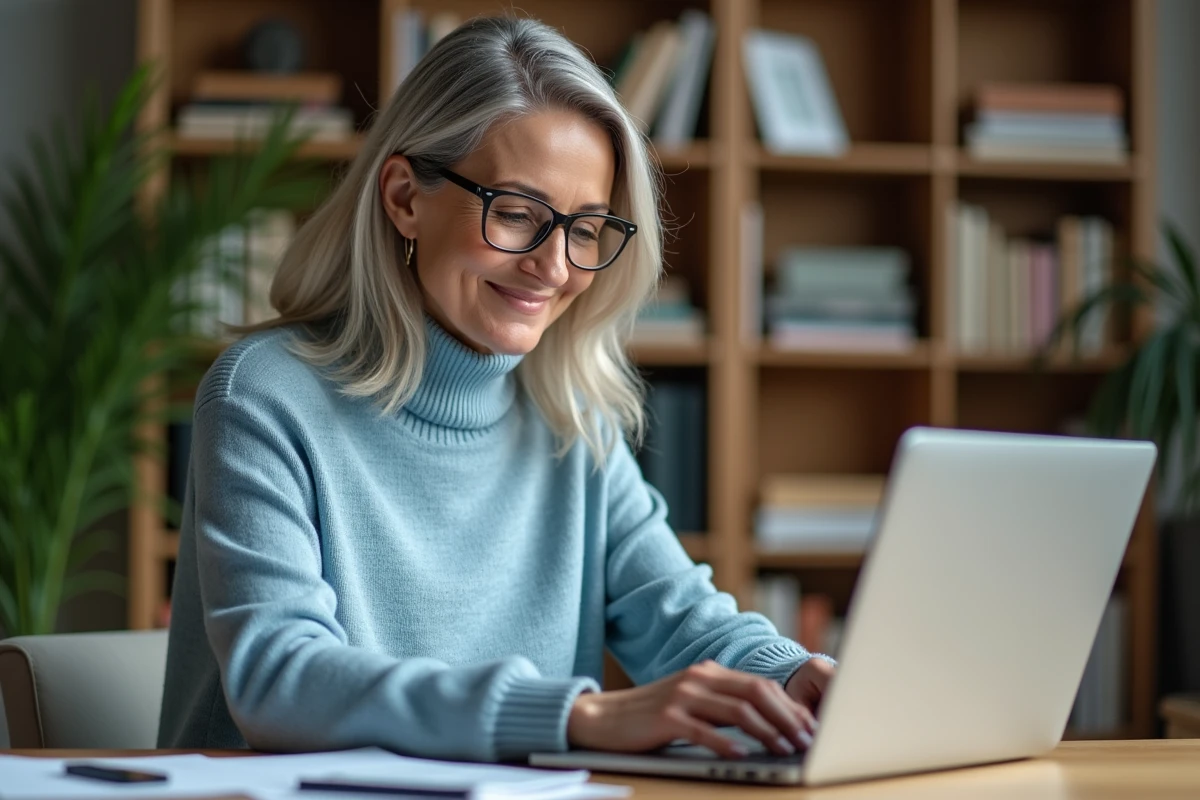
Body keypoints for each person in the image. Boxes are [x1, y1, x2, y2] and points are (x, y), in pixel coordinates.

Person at [158, 15, 835, 762]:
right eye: (517, 214)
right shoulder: (265, 395)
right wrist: (575, 716)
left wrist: (794, 674)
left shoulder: (572, 420)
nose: (554, 268)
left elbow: (681, 621)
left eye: (585, 230)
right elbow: (280, 678)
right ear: (404, 197)